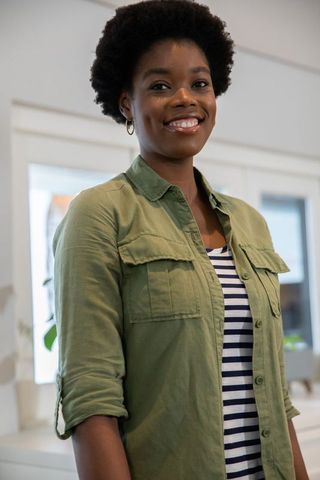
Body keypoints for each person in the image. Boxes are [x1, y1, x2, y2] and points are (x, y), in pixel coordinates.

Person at [53, 1, 309, 479]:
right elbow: (92, 398)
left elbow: (275, 393)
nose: (185, 99)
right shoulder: (100, 215)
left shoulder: (250, 223)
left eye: (200, 83)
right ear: (127, 103)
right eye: (160, 86)